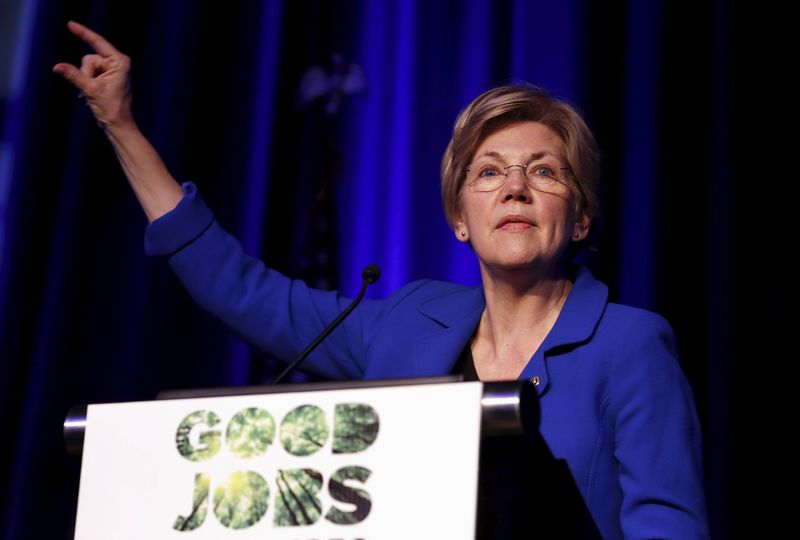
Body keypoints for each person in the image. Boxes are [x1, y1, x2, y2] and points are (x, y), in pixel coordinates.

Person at [54, 21, 710, 539]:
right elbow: (238, 289)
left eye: (544, 171)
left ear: (581, 219)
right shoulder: (403, 323)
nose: (514, 186)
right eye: (488, 172)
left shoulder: (631, 345)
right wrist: (121, 127)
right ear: (459, 218)